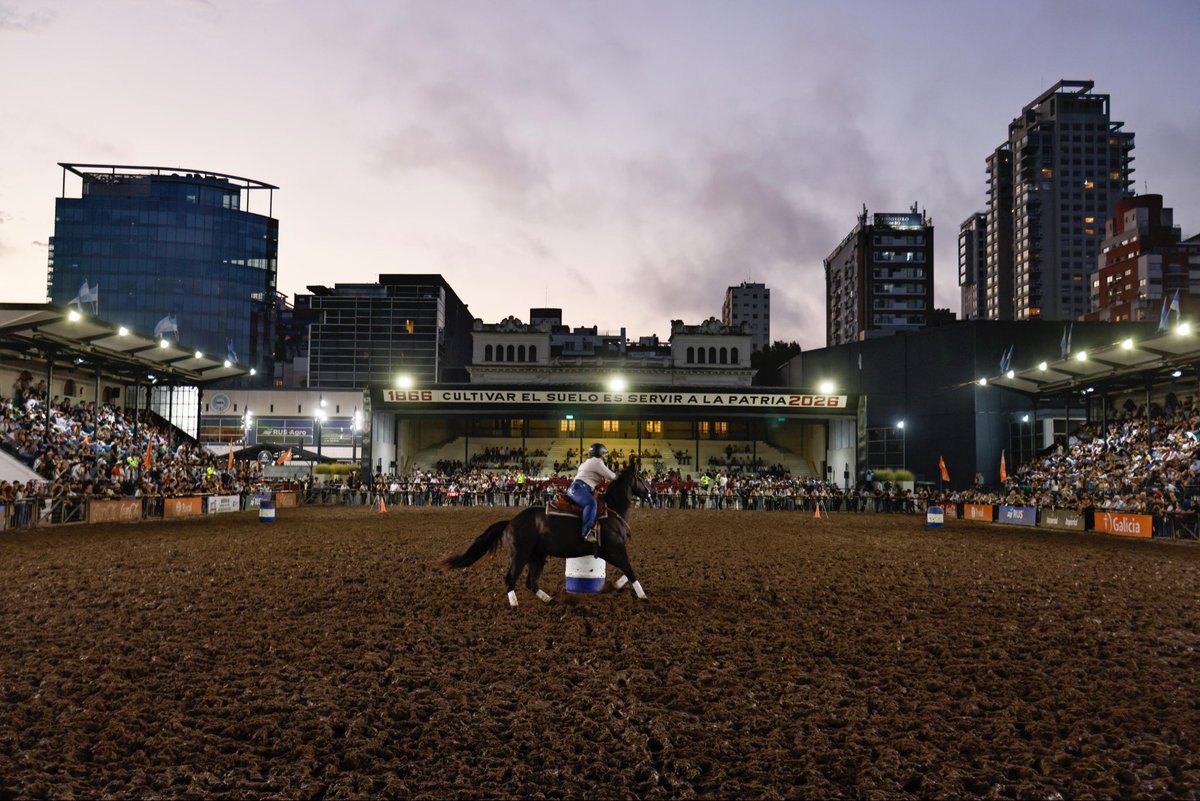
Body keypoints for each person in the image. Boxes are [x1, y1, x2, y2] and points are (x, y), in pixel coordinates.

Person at [568, 443, 617, 543]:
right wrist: (619, 476)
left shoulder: (588, 462)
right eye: (604, 454)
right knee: (591, 503)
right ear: (600, 453)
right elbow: (611, 476)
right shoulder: (597, 462)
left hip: (578, 488)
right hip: (580, 488)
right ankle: (586, 532)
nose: (605, 456)